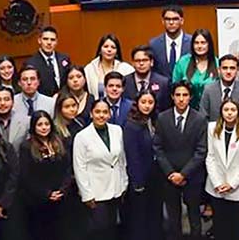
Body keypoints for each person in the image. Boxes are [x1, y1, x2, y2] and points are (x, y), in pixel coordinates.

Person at [154, 82, 208, 240]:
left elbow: (201, 151)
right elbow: (158, 148)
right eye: (178, 95)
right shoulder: (163, 118)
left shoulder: (200, 119)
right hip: (169, 177)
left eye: (185, 95)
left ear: (190, 97)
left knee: (194, 217)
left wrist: (183, 174)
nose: (181, 99)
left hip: (192, 176)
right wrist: (171, 173)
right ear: (172, 97)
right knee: (173, 217)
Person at [74, 100, 126, 240]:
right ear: (91, 114)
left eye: (105, 112)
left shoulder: (117, 130)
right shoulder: (82, 136)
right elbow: (79, 167)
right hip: (95, 192)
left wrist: (124, 183)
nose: (101, 115)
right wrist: (87, 194)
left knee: (112, 228)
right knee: (99, 231)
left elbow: (122, 159)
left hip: (116, 189)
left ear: (109, 114)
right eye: (97, 112)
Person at [20, 110, 75, 240]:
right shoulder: (27, 147)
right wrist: (47, 193)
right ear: (33, 127)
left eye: (46, 124)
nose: (44, 127)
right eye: (40, 125)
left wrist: (62, 190)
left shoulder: (60, 142)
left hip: (62, 198)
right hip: (39, 201)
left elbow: (68, 168)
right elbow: (26, 176)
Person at [205, 99, 239, 240]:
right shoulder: (212, 128)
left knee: (238, 229)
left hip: (238, 188)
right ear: (221, 112)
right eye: (226, 110)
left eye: (233, 110)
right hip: (216, 187)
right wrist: (218, 183)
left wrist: (232, 184)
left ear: (238, 112)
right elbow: (210, 157)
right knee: (220, 227)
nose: (229, 113)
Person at [122, 91, 162, 240]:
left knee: (155, 215)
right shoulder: (131, 124)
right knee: (140, 217)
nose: (147, 106)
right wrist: (138, 182)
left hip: (156, 176)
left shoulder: (156, 120)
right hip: (139, 178)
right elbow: (132, 156)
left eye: (150, 102)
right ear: (137, 103)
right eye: (143, 102)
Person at [171, 29, 220, 109]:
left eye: (203, 43)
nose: (199, 46)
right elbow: (174, 87)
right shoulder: (183, 62)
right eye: (196, 43)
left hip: (212, 110)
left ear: (209, 44)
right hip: (187, 110)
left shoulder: (217, 63)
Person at [200, 55, 239, 123]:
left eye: (232, 68)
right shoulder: (209, 90)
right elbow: (203, 117)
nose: (228, 72)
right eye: (225, 68)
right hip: (212, 132)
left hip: (238, 132)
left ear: (237, 70)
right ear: (219, 70)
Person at [23, 26, 70, 96]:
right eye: (45, 39)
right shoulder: (30, 63)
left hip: (63, 100)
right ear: (39, 40)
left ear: (56, 42)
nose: (49, 42)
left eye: (52, 40)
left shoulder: (64, 59)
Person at [148, 6, 190, 79]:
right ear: (163, 21)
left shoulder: (192, 42)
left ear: (182, 21)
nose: (171, 22)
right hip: (162, 88)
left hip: (186, 88)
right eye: (167, 19)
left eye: (175, 19)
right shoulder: (154, 44)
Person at [128, 46, 172, 113]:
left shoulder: (163, 83)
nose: (141, 63)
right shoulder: (125, 81)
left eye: (145, 60)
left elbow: (166, 109)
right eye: (137, 61)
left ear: (151, 62)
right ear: (132, 63)